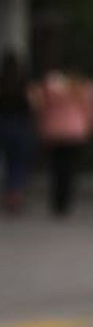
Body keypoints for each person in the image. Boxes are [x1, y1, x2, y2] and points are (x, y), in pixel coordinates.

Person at [30, 68, 93, 218]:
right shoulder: (81, 88)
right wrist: (90, 126)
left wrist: (40, 127)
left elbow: (39, 106)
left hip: (54, 131)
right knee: (69, 169)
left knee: (56, 169)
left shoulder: (48, 88)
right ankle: (66, 201)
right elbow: (89, 109)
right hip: (75, 131)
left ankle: (57, 202)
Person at [0, 49, 34, 215]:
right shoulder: (22, 82)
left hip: (4, 125)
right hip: (20, 126)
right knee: (18, 163)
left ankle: (9, 194)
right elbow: (31, 105)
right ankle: (16, 194)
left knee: (8, 162)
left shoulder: (2, 82)